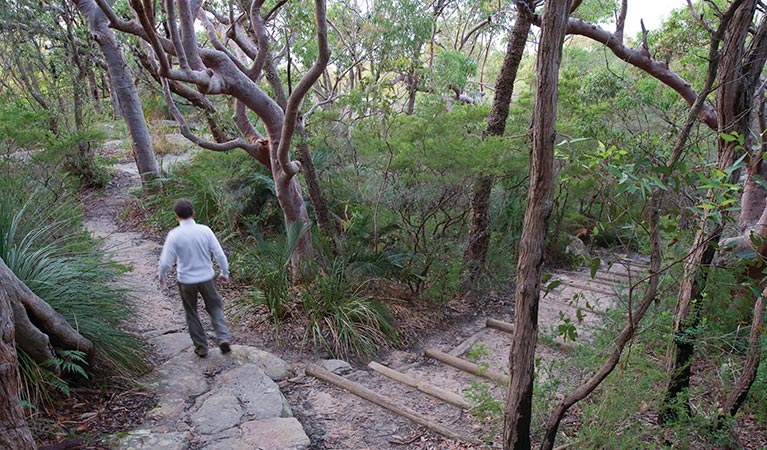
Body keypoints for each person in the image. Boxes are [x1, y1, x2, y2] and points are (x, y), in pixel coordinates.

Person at [158, 198, 232, 358]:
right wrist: (224, 273)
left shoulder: (174, 235)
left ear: (176, 216)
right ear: (193, 212)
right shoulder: (205, 230)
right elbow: (219, 254)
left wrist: (162, 276)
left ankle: (201, 347)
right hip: (207, 277)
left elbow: (165, 262)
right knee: (215, 306)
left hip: (186, 280)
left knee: (191, 312)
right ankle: (223, 337)